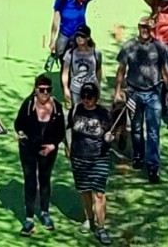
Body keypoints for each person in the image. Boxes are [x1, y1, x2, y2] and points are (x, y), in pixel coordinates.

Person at [113, 15, 168, 182]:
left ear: (152, 29)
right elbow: (121, 70)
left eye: (148, 28)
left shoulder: (159, 47)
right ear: (138, 27)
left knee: (153, 131)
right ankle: (138, 155)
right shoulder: (129, 46)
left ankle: (153, 166)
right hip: (133, 93)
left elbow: (165, 70)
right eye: (142, 27)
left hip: (154, 93)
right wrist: (118, 91)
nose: (145, 30)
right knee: (136, 128)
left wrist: (167, 91)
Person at [14, 72, 65, 234]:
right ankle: (29, 219)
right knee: (30, 180)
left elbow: (61, 131)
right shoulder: (28, 104)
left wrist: (53, 145)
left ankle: (44, 213)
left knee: (45, 179)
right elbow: (18, 124)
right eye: (42, 89)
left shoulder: (57, 107)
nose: (45, 93)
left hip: (48, 149)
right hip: (28, 147)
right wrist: (21, 133)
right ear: (35, 89)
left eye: (48, 90)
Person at [66, 81, 116, 243]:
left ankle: (101, 228)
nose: (86, 100)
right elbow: (67, 128)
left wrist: (110, 138)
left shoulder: (103, 114)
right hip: (79, 157)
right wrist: (67, 146)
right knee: (84, 191)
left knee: (99, 194)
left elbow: (112, 133)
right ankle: (89, 218)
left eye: (90, 97)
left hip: (99, 158)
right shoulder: (75, 110)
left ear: (96, 98)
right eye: (84, 96)